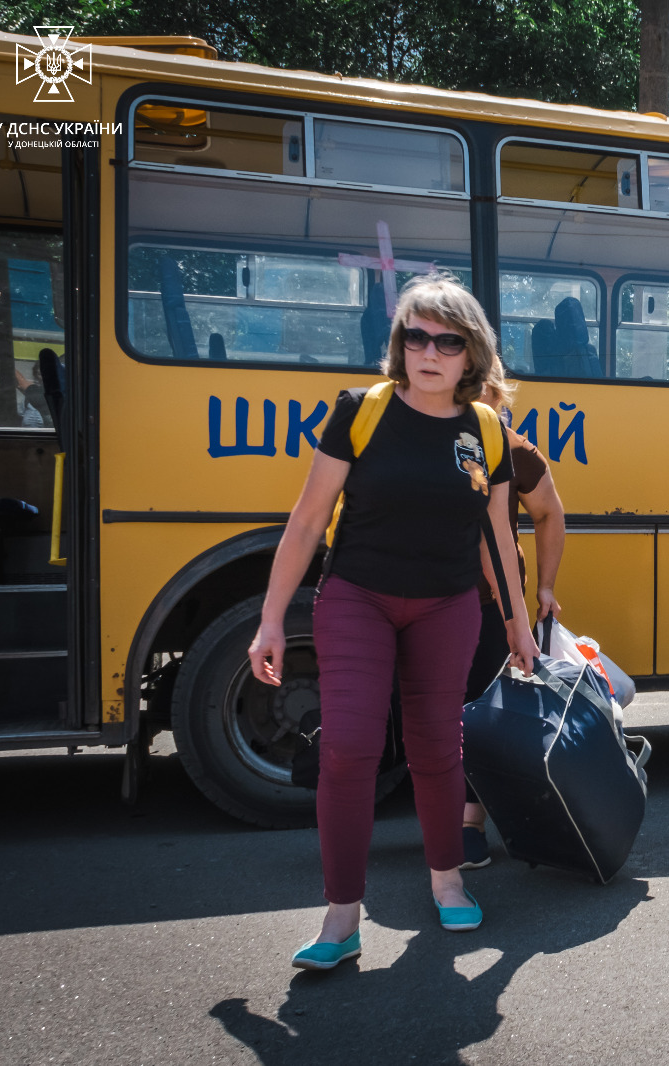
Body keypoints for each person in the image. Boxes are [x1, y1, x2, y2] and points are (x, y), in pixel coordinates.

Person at [247, 273, 539, 971]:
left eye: (447, 339)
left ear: (471, 355)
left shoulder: (488, 431)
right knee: (349, 747)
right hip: (358, 597)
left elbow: (499, 536)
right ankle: (342, 916)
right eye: (416, 335)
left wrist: (520, 626)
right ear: (399, 344)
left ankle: (447, 877)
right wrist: (269, 621)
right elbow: (309, 518)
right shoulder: (361, 410)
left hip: (448, 604)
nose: (428, 351)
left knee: (437, 746)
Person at [459, 422, 566, 869]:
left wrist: (543, 588)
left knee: (478, 714)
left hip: (488, 604)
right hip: (424, 599)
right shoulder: (421, 426)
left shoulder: (509, 446)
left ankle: (469, 826)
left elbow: (548, 512)